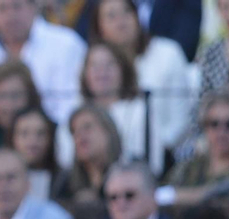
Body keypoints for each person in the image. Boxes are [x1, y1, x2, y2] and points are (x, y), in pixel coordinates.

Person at [90, 0, 192, 163]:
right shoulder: (95, 67)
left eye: (127, 12)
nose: (121, 21)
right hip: (108, 162)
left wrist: (152, 149)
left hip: (166, 157)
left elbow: (181, 121)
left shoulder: (168, 53)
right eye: (111, 16)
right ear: (99, 28)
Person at [0, 0, 86, 136]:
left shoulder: (66, 45)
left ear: (33, 7)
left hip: (55, 144)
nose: (10, 15)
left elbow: (70, 107)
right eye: (2, 8)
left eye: (16, 6)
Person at [166, 87, 229, 203]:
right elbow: (164, 194)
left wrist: (196, 195)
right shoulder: (189, 168)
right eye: (213, 124)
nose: (221, 132)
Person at [81, 40, 158, 171]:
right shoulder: (76, 114)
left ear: (123, 70)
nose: (102, 72)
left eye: (109, 64)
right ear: (85, 74)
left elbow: (154, 164)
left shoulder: (140, 111)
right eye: (94, 65)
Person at [55, 104, 121, 205]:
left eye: (87, 127)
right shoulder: (65, 180)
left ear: (108, 131)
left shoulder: (130, 172)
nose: (79, 135)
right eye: (74, 131)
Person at [10, 105, 61, 200]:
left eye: (40, 133)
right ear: (13, 139)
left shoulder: (65, 182)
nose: (32, 141)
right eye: (24, 133)